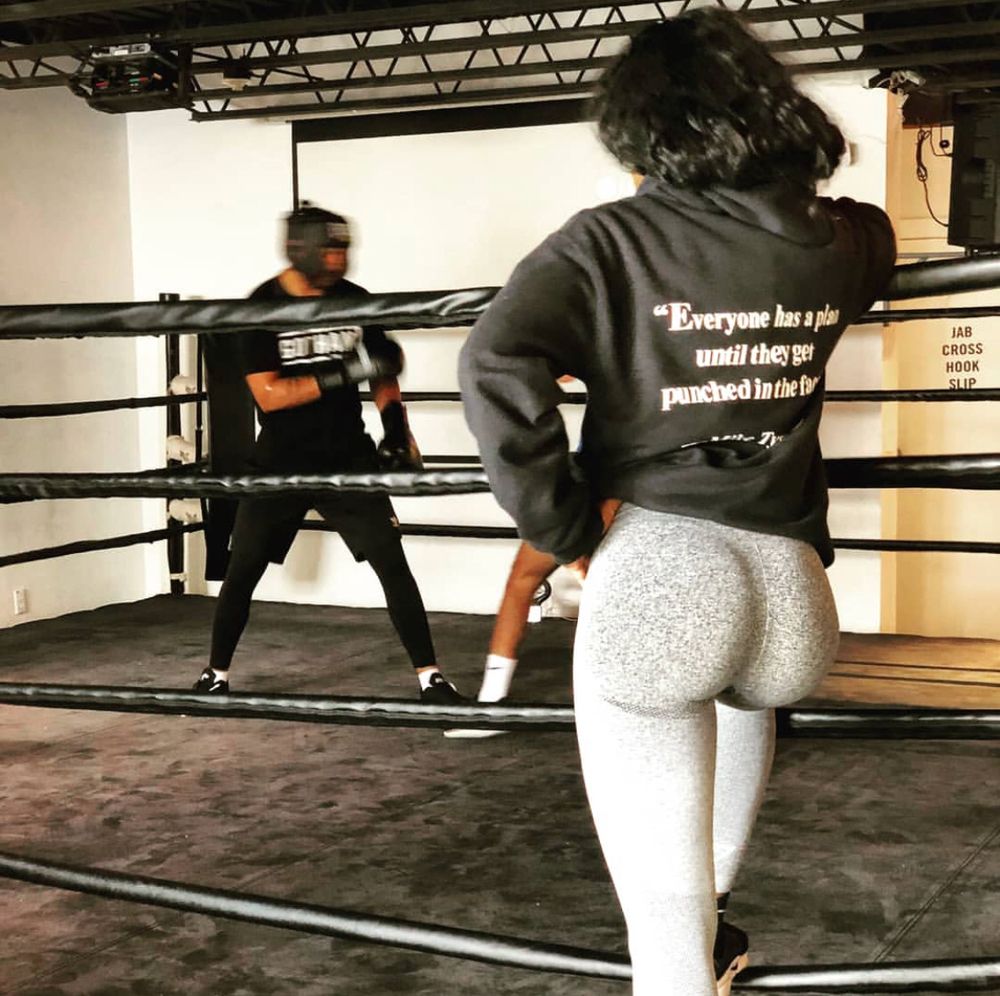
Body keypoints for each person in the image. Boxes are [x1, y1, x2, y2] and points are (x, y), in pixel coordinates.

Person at [458, 8, 896, 995]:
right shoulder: (837, 239)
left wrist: (565, 528)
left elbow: (493, 361)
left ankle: (691, 958)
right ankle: (719, 924)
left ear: (640, 129)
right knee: (730, 737)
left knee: (663, 948)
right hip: (791, 594)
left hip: (662, 577)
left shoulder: (610, 241)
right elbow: (875, 230)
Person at [194, 204, 464, 704]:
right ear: (300, 250)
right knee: (243, 567)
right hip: (280, 461)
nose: (338, 261)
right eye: (330, 251)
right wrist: (346, 372)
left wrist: (396, 429)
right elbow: (270, 395)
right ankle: (216, 674)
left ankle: (431, 677)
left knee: (391, 562)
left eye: (343, 251)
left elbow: (382, 371)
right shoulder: (262, 308)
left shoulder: (354, 300)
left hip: (348, 456)